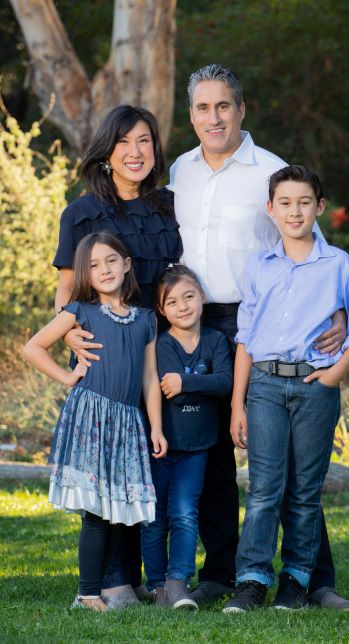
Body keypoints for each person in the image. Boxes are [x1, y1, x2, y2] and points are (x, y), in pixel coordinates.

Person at [169, 63, 349, 609]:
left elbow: (310, 246)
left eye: (223, 105)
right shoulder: (180, 170)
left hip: (259, 327)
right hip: (195, 324)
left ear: (241, 110)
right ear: (191, 115)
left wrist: (340, 312)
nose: (214, 117)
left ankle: (313, 579)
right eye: (203, 108)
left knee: (288, 461)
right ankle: (223, 573)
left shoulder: (269, 171)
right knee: (212, 453)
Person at [222, 165, 349, 612]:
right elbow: (245, 338)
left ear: (319, 207)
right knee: (263, 488)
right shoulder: (259, 266)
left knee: (305, 491)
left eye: (304, 202)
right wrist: (237, 404)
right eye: (286, 203)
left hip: (315, 388)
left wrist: (333, 375)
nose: (295, 212)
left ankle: (296, 581)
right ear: (270, 209)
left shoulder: (339, 265)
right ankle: (251, 580)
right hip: (264, 386)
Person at [53, 105, 182, 607]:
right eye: (124, 142)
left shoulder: (170, 205)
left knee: (140, 464)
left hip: (156, 349)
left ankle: (139, 574)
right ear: (107, 152)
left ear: (155, 148)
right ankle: (110, 580)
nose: (135, 151)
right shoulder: (81, 213)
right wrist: (69, 335)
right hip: (103, 354)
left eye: (144, 140)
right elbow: (67, 290)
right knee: (108, 467)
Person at [22, 231, 167, 612]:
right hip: (91, 417)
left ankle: (107, 587)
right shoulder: (79, 312)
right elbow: (32, 348)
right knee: (96, 512)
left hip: (128, 422)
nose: (104, 269)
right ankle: (87, 594)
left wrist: (155, 427)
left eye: (111, 260)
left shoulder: (146, 319)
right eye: (93, 265)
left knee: (120, 511)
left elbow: (150, 378)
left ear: (126, 264)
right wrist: (68, 377)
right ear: (85, 273)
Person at [141, 264, 233, 609]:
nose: (182, 306)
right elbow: (170, 392)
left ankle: (178, 581)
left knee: (184, 513)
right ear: (161, 310)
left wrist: (187, 382)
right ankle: (157, 585)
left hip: (198, 447)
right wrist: (199, 385)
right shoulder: (162, 344)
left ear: (203, 297)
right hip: (163, 446)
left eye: (189, 296)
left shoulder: (216, 340)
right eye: (172, 302)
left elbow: (225, 383)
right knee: (155, 518)